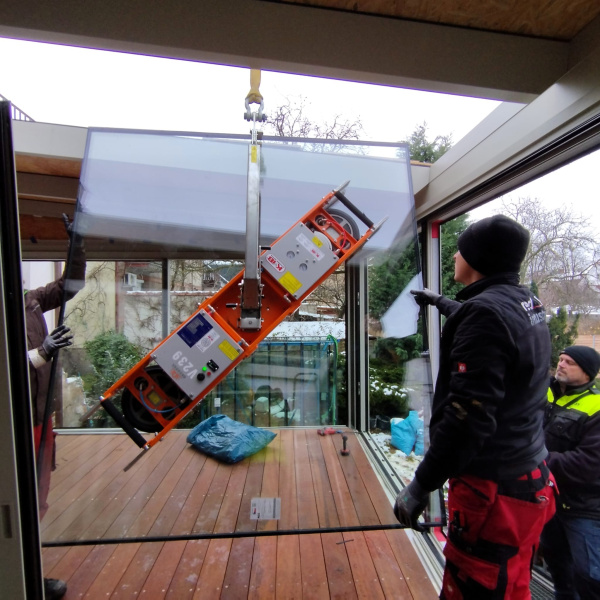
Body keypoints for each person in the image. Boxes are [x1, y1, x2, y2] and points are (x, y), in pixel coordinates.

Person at [394, 215, 556, 599]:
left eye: (461, 249)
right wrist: (440, 302)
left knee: (475, 585)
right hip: (527, 475)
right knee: (511, 583)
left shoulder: (485, 314)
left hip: (493, 490)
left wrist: (420, 486)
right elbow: (493, 326)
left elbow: (466, 418)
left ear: (479, 257)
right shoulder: (525, 301)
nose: (454, 255)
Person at [25, 214, 85, 600]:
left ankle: (28, 571)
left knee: (38, 496)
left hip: (39, 414)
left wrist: (76, 244)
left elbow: (70, 286)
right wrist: (41, 353)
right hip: (16, 421)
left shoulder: (28, 301)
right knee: (21, 495)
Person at [539, 345, 600, 599]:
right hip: (549, 502)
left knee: (589, 578)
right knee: (560, 575)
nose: (561, 365)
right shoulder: (546, 393)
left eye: (569, 362)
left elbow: (589, 463)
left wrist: (538, 460)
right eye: (561, 359)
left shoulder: (595, 406)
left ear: (587, 372)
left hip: (582, 508)